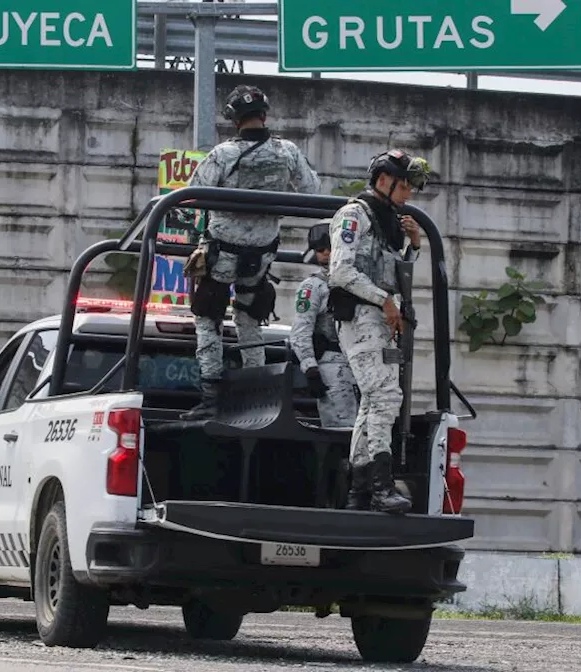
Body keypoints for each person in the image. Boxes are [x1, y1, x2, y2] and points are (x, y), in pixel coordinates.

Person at [180, 84, 321, 421]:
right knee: (249, 316)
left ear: (233, 119)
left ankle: (211, 399)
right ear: (264, 114)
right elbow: (313, 192)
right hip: (262, 255)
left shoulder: (223, 154)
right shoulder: (287, 152)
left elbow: (190, 195)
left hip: (222, 254)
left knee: (208, 318)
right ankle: (257, 397)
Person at [326, 149, 434, 513]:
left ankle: (359, 490)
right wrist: (384, 300)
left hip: (382, 320)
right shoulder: (354, 215)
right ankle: (381, 486)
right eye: (405, 186)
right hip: (359, 317)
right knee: (386, 396)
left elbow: (393, 272)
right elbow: (340, 272)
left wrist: (413, 245)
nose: (409, 195)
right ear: (385, 180)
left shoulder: (388, 220)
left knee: (373, 402)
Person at [289, 219, 359, 429]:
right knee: (342, 430)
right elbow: (301, 331)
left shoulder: (360, 282)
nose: (326, 253)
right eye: (320, 249)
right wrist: (310, 369)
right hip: (333, 365)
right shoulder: (313, 287)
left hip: (362, 363)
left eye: (330, 247)